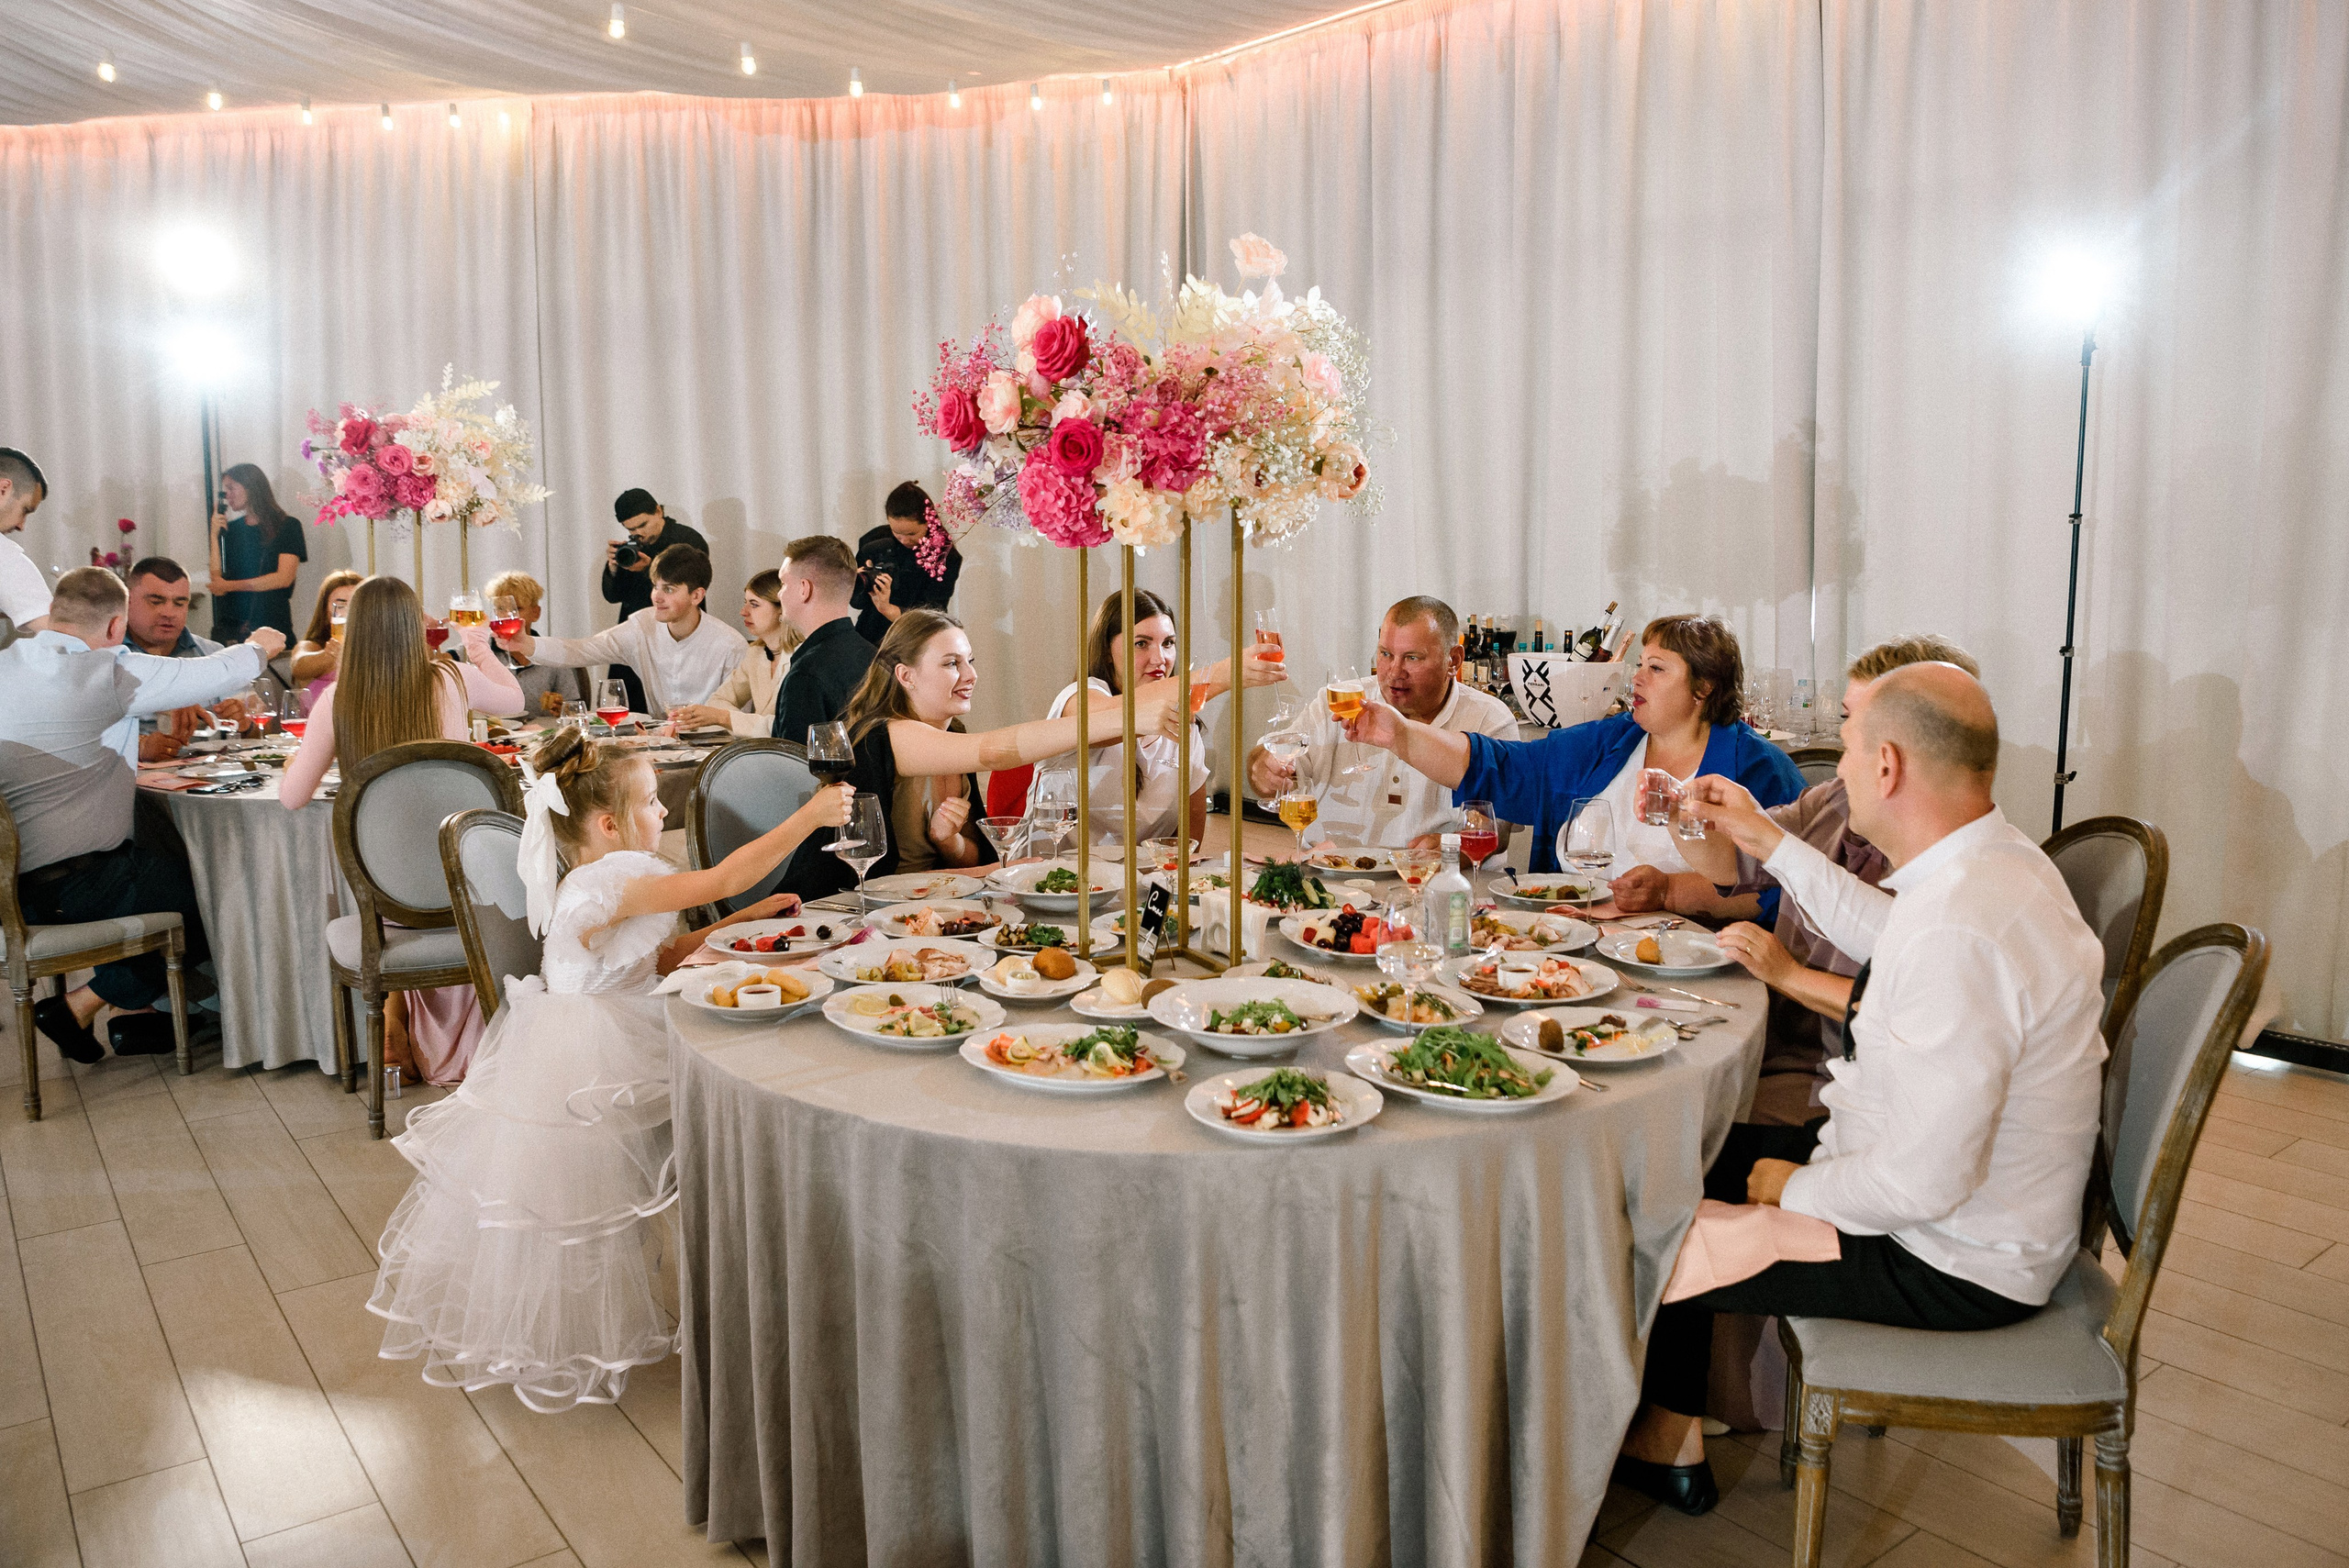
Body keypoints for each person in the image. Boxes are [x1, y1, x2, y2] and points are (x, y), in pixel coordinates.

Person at [1613, 664, 2108, 1516]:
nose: (1833, 766)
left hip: (1951, 1257)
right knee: (1676, 1159)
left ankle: (1632, 1447)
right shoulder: (1992, 864)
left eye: (1844, 742)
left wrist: (1793, 1188)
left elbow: (1923, 1183)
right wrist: (1770, 842)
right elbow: (1886, 933)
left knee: (1644, 1224)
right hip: (1961, 1207)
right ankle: (1670, 1431)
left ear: (1886, 767)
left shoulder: (1961, 926)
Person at [367, 726, 853, 1411]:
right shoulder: (612, 874)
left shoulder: (604, 877)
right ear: (606, 823)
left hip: (600, 1022)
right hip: (592, 1055)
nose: (662, 814)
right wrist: (810, 815)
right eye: (653, 802)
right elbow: (720, 876)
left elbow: (650, 957)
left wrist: (738, 920)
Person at [0, 567, 283, 1061]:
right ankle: (84, 1003)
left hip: (12, 890)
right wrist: (261, 644)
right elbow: (216, 672)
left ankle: (110, 1007)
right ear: (115, 628)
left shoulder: (6, 666)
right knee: (218, 888)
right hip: (77, 888)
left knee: (165, 868)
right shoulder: (107, 671)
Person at [782, 609, 1259, 899]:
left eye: (970, 660)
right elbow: (993, 752)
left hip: (920, 904)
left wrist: (951, 844)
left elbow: (968, 860)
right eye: (951, 663)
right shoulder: (883, 734)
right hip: (838, 906)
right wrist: (1137, 716)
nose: (969, 674)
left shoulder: (952, 735)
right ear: (905, 676)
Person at [1704, 635, 1980, 1127]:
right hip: (1782, 1046)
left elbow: (1900, 1000)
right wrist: (1701, 816)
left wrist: (1788, 974)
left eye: (1852, 727)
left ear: (1890, 759)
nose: (1840, 751)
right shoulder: (1838, 803)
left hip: (1839, 1089)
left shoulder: (1955, 879)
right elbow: (1735, 864)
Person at [1342, 613, 1802, 895]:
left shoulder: (1761, 769)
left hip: (1695, 958)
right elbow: (1499, 767)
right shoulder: (1610, 742)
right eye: (1640, 665)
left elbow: (1788, 887)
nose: (1636, 679)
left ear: (1704, 688)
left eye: (1657, 669)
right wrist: (1400, 735)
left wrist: (1672, 893)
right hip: (1573, 938)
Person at [281, 576, 527, 1085]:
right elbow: (514, 701)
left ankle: (395, 1023)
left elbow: (292, 797)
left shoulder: (337, 701)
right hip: (466, 890)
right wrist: (480, 649)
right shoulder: (450, 679)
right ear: (415, 626)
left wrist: (301, 759)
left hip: (391, 902)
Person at [1246, 595, 1519, 851]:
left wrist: (1453, 848)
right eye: (1386, 654)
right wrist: (1263, 770)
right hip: (1331, 877)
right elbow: (1264, 764)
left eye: (1412, 658)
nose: (1394, 672)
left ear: (1454, 660)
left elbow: (1498, 827)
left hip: (1434, 882)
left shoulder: (1489, 718)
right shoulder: (1341, 699)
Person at [1033, 588, 1274, 845]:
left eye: (1168, 643)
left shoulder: (1185, 725)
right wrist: (1221, 675)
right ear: (1106, 652)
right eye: (1141, 644)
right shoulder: (1079, 697)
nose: (1160, 659)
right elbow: (1105, 722)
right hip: (1060, 875)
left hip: (1142, 880)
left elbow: (1189, 833)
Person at [499, 545, 742, 717]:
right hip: (662, 747)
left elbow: (738, 717)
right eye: (655, 587)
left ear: (697, 595)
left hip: (714, 753)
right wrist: (525, 643)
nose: (656, 597)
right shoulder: (642, 626)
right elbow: (582, 649)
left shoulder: (731, 645)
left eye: (668, 589)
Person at [598, 489, 707, 715]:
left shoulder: (688, 540)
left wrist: (648, 569)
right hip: (638, 634)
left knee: (675, 708)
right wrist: (613, 567)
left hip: (678, 636)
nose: (638, 533)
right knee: (632, 709)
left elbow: (689, 585)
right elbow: (612, 596)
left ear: (658, 511)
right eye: (631, 529)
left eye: (643, 525)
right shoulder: (631, 547)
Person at [122, 557, 240, 762]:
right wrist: (138, 747)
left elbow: (253, 734)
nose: (169, 613)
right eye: (156, 601)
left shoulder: (213, 655)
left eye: (179, 603)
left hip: (210, 780)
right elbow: (82, 737)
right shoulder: (109, 658)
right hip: (132, 787)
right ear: (128, 601)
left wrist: (244, 722)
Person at [768, 534, 875, 745]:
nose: (779, 594)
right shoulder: (875, 657)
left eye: (783, 583)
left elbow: (797, 768)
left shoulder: (806, 675)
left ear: (804, 589)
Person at [669, 568, 801, 737]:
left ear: (782, 609)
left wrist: (726, 718)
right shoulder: (756, 653)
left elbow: (786, 728)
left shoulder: (803, 657)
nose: (743, 612)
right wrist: (746, 723)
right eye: (745, 602)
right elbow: (717, 701)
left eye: (754, 604)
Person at [206, 463, 307, 643]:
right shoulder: (234, 529)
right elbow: (217, 581)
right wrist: (214, 536)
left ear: (250, 486)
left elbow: (283, 578)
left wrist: (229, 586)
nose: (227, 495)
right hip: (232, 628)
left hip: (273, 625)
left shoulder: (288, 526)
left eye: (231, 488)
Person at [850, 482, 960, 644]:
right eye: (897, 533)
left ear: (929, 521)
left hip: (914, 640)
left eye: (911, 533)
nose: (904, 540)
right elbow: (856, 602)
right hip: (869, 636)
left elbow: (933, 616)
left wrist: (888, 609)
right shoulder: (875, 541)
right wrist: (861, 581)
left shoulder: (945, 555)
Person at [479, 569, 588, 718]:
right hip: (494, 738)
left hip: (542, 737)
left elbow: (576, 711)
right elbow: (441, 662)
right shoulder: (479, 649)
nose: (506, 616)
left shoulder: (552, 653)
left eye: (516, 609)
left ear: (536, 613)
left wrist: (561, 708)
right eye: (500, 608)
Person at [288, 569, 364, 709]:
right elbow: (299, 666)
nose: (349, 611)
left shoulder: (377, 649)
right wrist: (330, 653)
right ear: (325, 611)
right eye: (340, 605)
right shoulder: (312, 646)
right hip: (317, 728)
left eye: (355, 604)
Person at [0, 448, 53, 629]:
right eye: (25, 510)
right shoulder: (5, 558)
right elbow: (58, 637)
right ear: (3, 489)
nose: (21, 526)